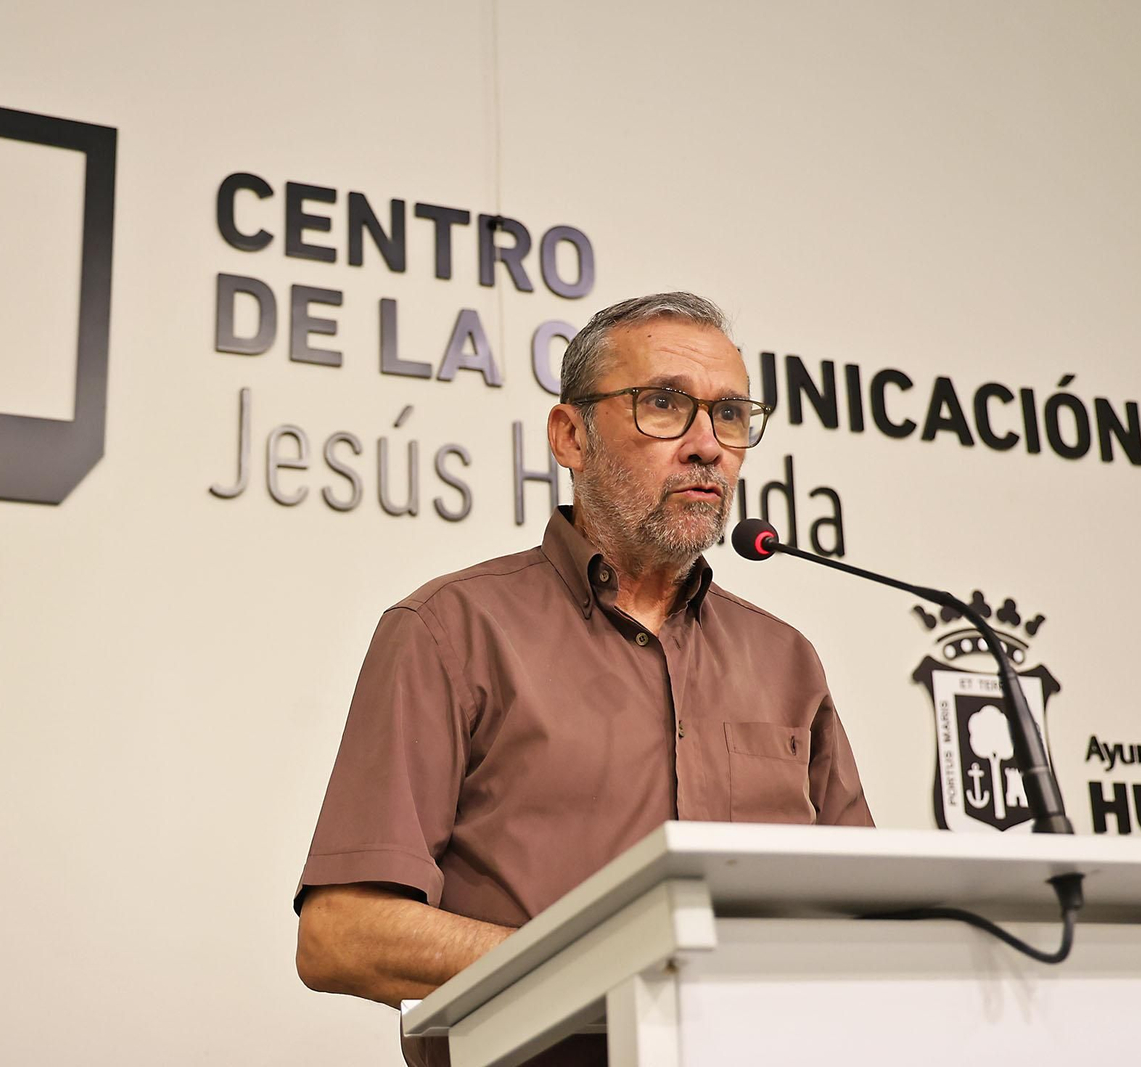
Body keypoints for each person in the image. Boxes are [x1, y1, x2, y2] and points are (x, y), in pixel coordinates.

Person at [294, 292, 873, 1066]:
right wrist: (608, 959)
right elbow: (342, 933)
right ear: (571, 435)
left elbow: (869, 921)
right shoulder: (450, 630)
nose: (707, 444)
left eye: (730, 415)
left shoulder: (786, 659)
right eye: (663, 405)